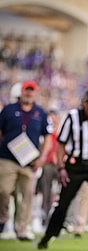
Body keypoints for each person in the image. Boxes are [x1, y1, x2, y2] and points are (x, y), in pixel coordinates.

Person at [37, 88, 88, 251]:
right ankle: (48, 236)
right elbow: (61, 143)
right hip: (75, 165)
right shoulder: (72, 117)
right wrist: (61, 167)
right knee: (63, 202)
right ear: (83, 103)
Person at [0, 80, 52, 240]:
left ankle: (22, 229)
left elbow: (48, 136)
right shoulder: (8, 110)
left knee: (27, 195)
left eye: (31, 90)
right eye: (26, 90)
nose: (28, 93)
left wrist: (42, 157)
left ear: (35, 93)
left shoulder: (40, 113)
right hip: (7, 158)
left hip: (29, 161)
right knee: (3, 191)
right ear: (21, 92)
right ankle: (2, 221)